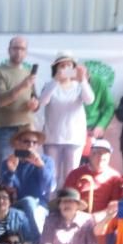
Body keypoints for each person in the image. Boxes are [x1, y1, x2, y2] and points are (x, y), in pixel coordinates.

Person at [38, 51, 94, 187]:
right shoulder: (49, 85)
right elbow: (43, 101)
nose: (64, 69)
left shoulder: (79, 86)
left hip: (74, 139)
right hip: (52, 138)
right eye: (61, 66)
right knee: (52, 174)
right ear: (55, 68)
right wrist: (55, 80)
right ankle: (51, 204)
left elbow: (89, 100)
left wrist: (83, 80)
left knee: (72, 174)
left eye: (68, 65)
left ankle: (69, 204)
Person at [0, 36, 39, 170]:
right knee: (3, 168)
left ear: (26, 52)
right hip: (5, 130)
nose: (18, 52)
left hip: (26, 131)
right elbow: (0, 100)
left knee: (26, 169)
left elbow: (34, 98)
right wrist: (23, 85)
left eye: (22, 49)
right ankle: (1, 192)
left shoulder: (28, 73)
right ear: (9, 50)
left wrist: (35, 104)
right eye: (15, 48)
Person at [0, 124, 56, 232]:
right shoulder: (9, 162)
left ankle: (35, 240)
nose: (30, 145)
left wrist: (41, 167)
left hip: (39, 205)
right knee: (25, 203)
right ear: (17, 143)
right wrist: (11, 171)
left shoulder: (46, 161)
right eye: (26, 141)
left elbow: (50, 187)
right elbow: (4, 191)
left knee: (29, 202)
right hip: (15, 205)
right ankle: (36, 240)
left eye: (34, 142)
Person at [64, 139, 121, 216]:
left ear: (109, 156)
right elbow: (67, 199)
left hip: (102, 218)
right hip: (77, 216)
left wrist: (98, 216)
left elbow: (115, 204)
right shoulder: (75, 174)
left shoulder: (115, 177)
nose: (101, 156)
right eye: (97, 153)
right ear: (90, 154)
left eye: (105, 153)